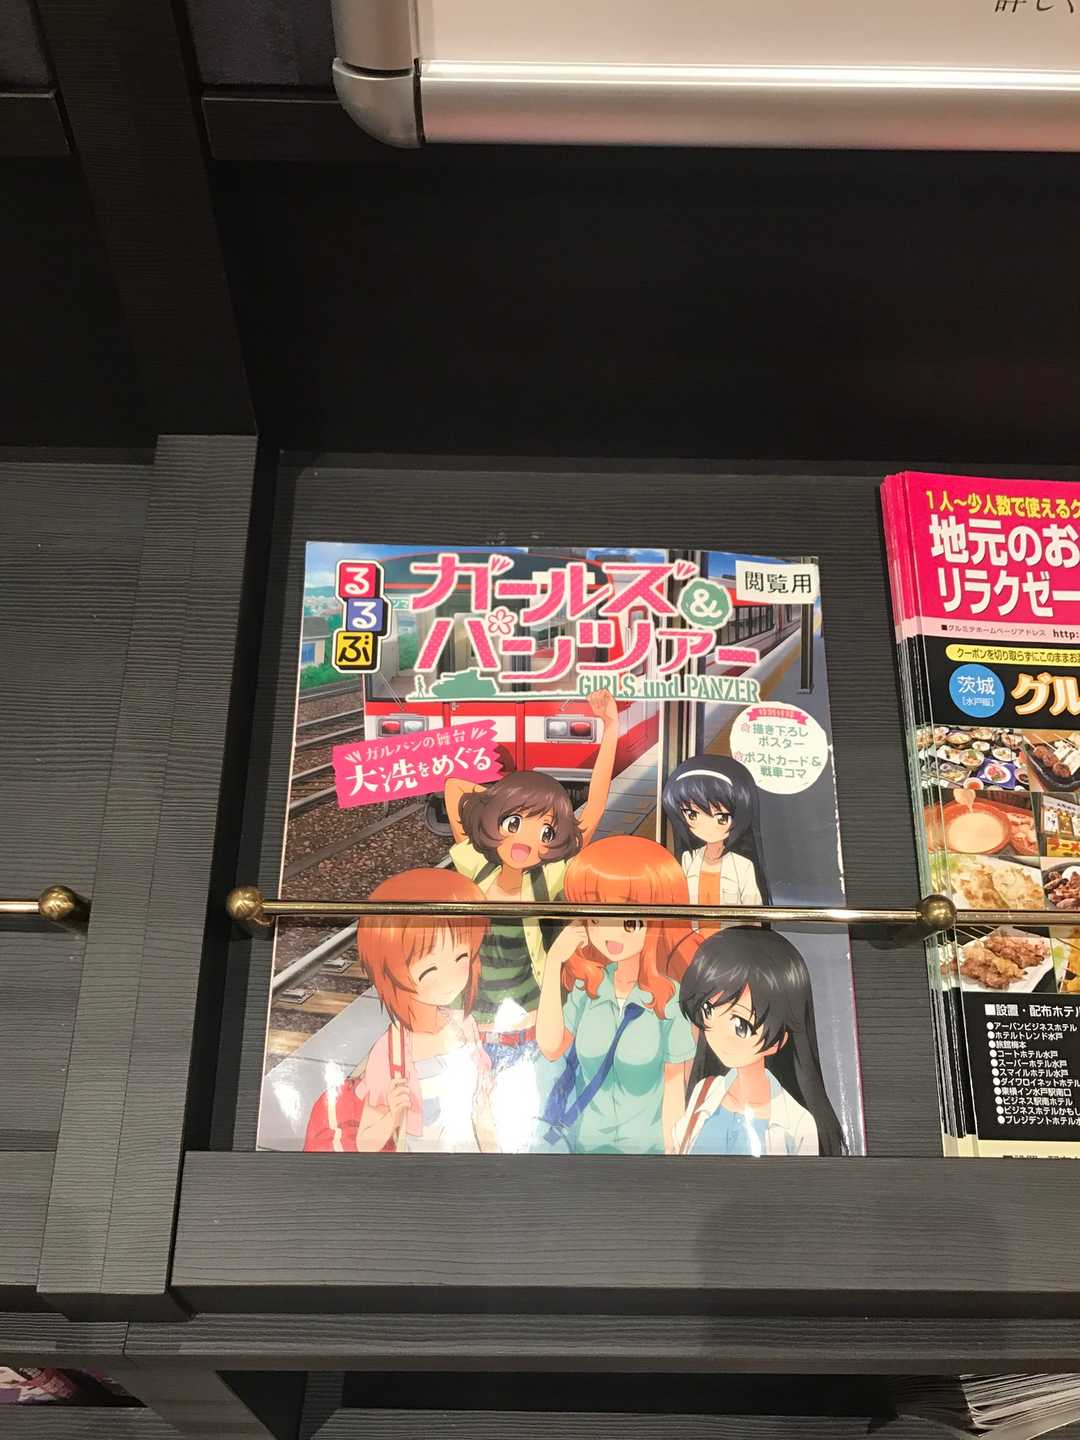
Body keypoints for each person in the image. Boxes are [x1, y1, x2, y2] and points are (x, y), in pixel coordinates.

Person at [443, 687, 619, 1059]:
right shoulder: (478, 864)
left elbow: (595, 808)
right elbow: (453, 787)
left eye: (545, 833)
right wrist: (500, 802)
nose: (525, 841)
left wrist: (611, 728)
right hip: (472, 1033)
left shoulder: (548, 876)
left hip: (527, 1028)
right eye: (514, 824)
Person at [303, 869, 497, 1153]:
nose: (451, 977)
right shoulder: (390, 1053)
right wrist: (391, 1116)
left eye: (461, 958)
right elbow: (366, 1144)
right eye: (430, 969)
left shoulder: (464, 1026)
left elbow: (483, 1111)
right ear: (392, 973)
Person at [537, 835, 699, 1154]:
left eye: (629, 921)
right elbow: (551, 1047)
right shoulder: (588, 988)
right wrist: (553, 962)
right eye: (597, 917)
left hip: (647, 1154)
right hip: (583, 1149)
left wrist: (674, 1160)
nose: (609, 933)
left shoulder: (670, 999)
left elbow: (674, 1090)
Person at [673, 927, 845, 1156]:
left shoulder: (798, 1124)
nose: (719, 1034)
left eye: (740, 1026)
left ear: (778, 1041)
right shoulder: (704, 1092)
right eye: (708, 1010)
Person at [660, 755, 770, 934]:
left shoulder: (743, 866)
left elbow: (754, 919)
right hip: (691, 942)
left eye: (721, 818)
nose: (707, 827)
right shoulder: (687, 860)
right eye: (692, 815)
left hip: (730, 944)